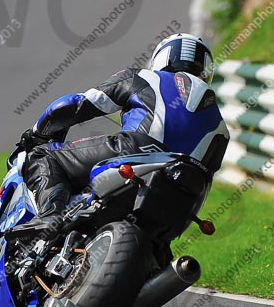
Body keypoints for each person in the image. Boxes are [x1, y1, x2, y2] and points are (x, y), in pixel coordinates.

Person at [14, 33, 230, 235]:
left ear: (163, 57)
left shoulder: (143, 77)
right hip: (185, 191)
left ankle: (50, 216)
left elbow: (75, 104)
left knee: (43, 155)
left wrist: (37, 133)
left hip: (136, 150)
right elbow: (208, 172)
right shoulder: (221, 126)